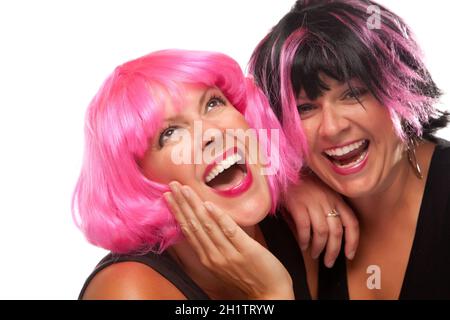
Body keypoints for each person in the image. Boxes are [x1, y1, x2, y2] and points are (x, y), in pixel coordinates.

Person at [73, 49, 326, 299]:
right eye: (170, 133)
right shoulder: (127, 291)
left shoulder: (300, 228)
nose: (212, 134)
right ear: (141, 182)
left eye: (213, 103)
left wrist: (308, 180)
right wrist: (271, 294)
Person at [250, 0, 450, 299]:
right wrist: (283, 183)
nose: (331, 128)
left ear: (402, 88)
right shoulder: (289, 220)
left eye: (353, 94)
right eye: (305, 108)